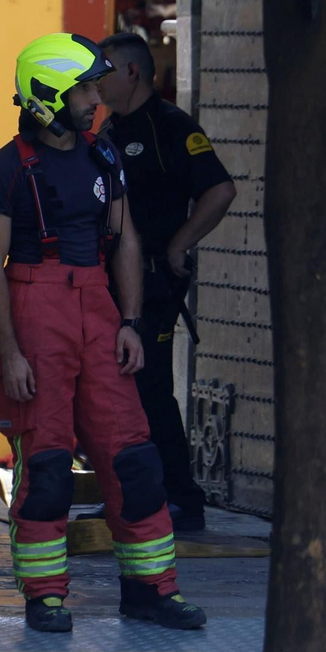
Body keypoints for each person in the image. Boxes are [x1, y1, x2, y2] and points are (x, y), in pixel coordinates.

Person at [0, 32, 207, 634]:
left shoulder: (104, 157)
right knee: (48, 466)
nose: (96, 100)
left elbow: (124, 240)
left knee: (134, 460)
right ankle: (46, 597)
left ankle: (152, 591)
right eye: (83, 90)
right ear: (48, 96)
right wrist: (10, 352)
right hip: (36, 310)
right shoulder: (2, 171)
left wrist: (129, 322)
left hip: (99, 310)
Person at [97, 32, 236, 534]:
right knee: (114, 393)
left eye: (104, 69)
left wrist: (180, 244)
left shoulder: (171, 127)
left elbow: (220, 190)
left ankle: (181, 499)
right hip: (109, 285)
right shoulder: (108, 130)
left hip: (153, 284)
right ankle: (132, 496)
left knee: (150, 390)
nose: (96, 80)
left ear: (132, 72)